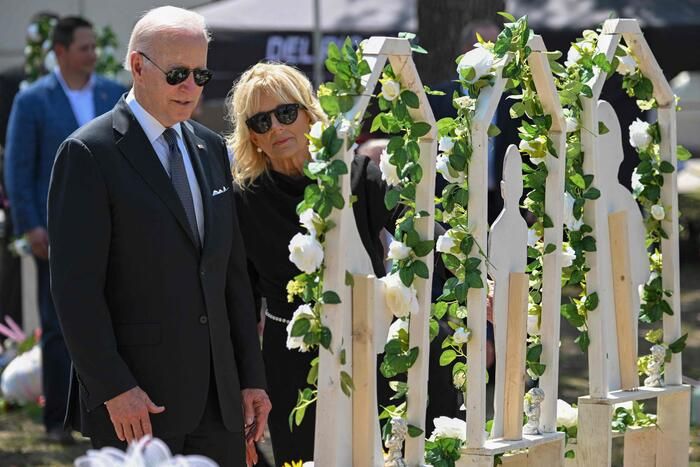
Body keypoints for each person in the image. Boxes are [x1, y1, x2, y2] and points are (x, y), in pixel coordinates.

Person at [47, 7, 270, 465]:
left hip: (219, 404)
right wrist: (114, 388)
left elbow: (230, 276)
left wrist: (251, 378)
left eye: (200, 74)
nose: (191, 87)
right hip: (138, 404)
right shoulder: (88, 153)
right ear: (137, 66)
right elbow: (75, 291)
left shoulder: (210, 148)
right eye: (177, 74)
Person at [227, 62, 457, 464]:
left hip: (369, 342)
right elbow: (242, 301)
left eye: (286, 113)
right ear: (252, 136)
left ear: (308, 114)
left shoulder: (353, 173)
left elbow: (414, 227)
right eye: (261, 121)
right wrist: (247, 384)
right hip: (292, 360)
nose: (276, 128)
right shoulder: (244, 200)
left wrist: (473, 276)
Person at [4, 15, 125, 444]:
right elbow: (18, 167)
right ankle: (57, 419)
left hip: (112, 230)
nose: (93, 54)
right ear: (60, 51)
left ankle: (106, 416)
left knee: (112, 319)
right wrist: (30, 226)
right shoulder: (33, 100)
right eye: (83, 47)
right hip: (54, 234)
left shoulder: (113, 93)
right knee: (57, 326)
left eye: (94, 47)